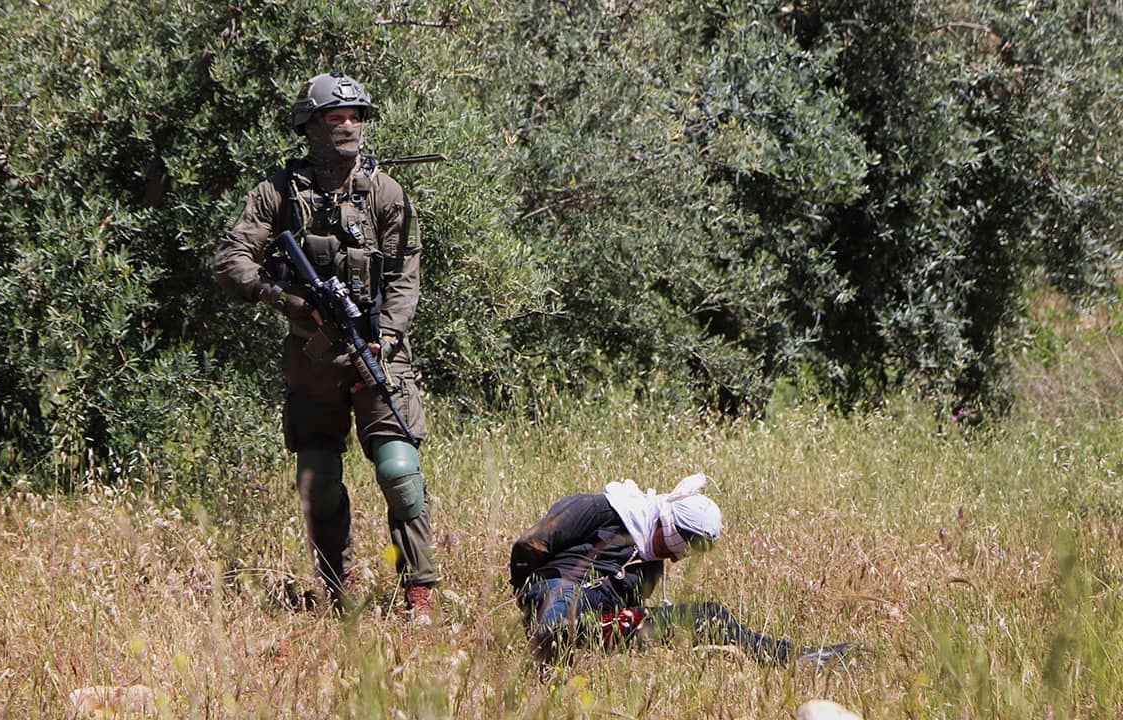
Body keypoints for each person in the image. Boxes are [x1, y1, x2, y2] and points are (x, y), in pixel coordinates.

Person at [213, 71, 437, 621]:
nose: (347, 127)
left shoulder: (385, 192)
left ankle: (420, 594)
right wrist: (285, 299)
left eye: (355, 117)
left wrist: (386, 338)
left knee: (400, 471)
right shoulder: (276, 192)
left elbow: (405, 276)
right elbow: (230, 259)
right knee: (319, 479)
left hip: (378, 349)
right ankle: (339, 591)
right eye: (335, 118)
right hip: (312, 358)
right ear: (309, 126)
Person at [509, 474, 857, 667]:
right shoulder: (600, 508)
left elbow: (627, 615)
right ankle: (552, 639)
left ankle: (792, 658)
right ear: (668, 523)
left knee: (710, 615)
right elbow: (530, 546)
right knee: (562, 608)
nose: (680, 558)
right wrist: (528, 598)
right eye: (687, 544)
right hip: (555, 591)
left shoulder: (650, 568)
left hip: (601, 620)